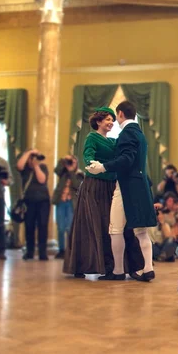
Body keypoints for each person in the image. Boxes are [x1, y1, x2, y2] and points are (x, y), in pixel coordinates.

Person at [86, 101, 158, 282]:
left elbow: (126, 159)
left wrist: (103, 167)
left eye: (114, 117)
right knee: (141, 231)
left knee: (115, 229)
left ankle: (118, 270)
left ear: (120, 114)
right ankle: (148, 268)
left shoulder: (127, 133)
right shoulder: (140, 133)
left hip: (126, 185)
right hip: (140, 184)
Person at [63, 107, 118, 277]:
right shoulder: (92, 137)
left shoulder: (112, 141)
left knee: (109, 224)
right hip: (95, 185)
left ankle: (110, 265)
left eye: (112, 120)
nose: (111, 122)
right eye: (108, 119)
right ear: (99, 121)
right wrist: (94, 165)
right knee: (93, 223)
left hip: (110, 186)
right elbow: (88, 156)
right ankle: (82, 265)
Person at [16, 149, 50, 261]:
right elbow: (19, 165)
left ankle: (42, 253)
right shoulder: (24, 169)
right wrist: (29, 152)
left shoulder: (43, 167)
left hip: (43, 201)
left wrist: (36, 166)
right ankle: (30, 252)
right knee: (29, 226)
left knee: (43, 226)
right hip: (29, 202)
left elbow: (42, 180)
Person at [51, 155, 83, 259]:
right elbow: (56, 170)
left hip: (71, 203)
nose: (70, 164)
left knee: (69, 228)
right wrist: (63, 160)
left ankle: (70, 250)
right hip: (61, 201)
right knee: (60, 227)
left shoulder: (79, 174)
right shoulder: (63, 173)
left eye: (72, 162)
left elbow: (77, 185)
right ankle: (61, 250)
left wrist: (71, 171)